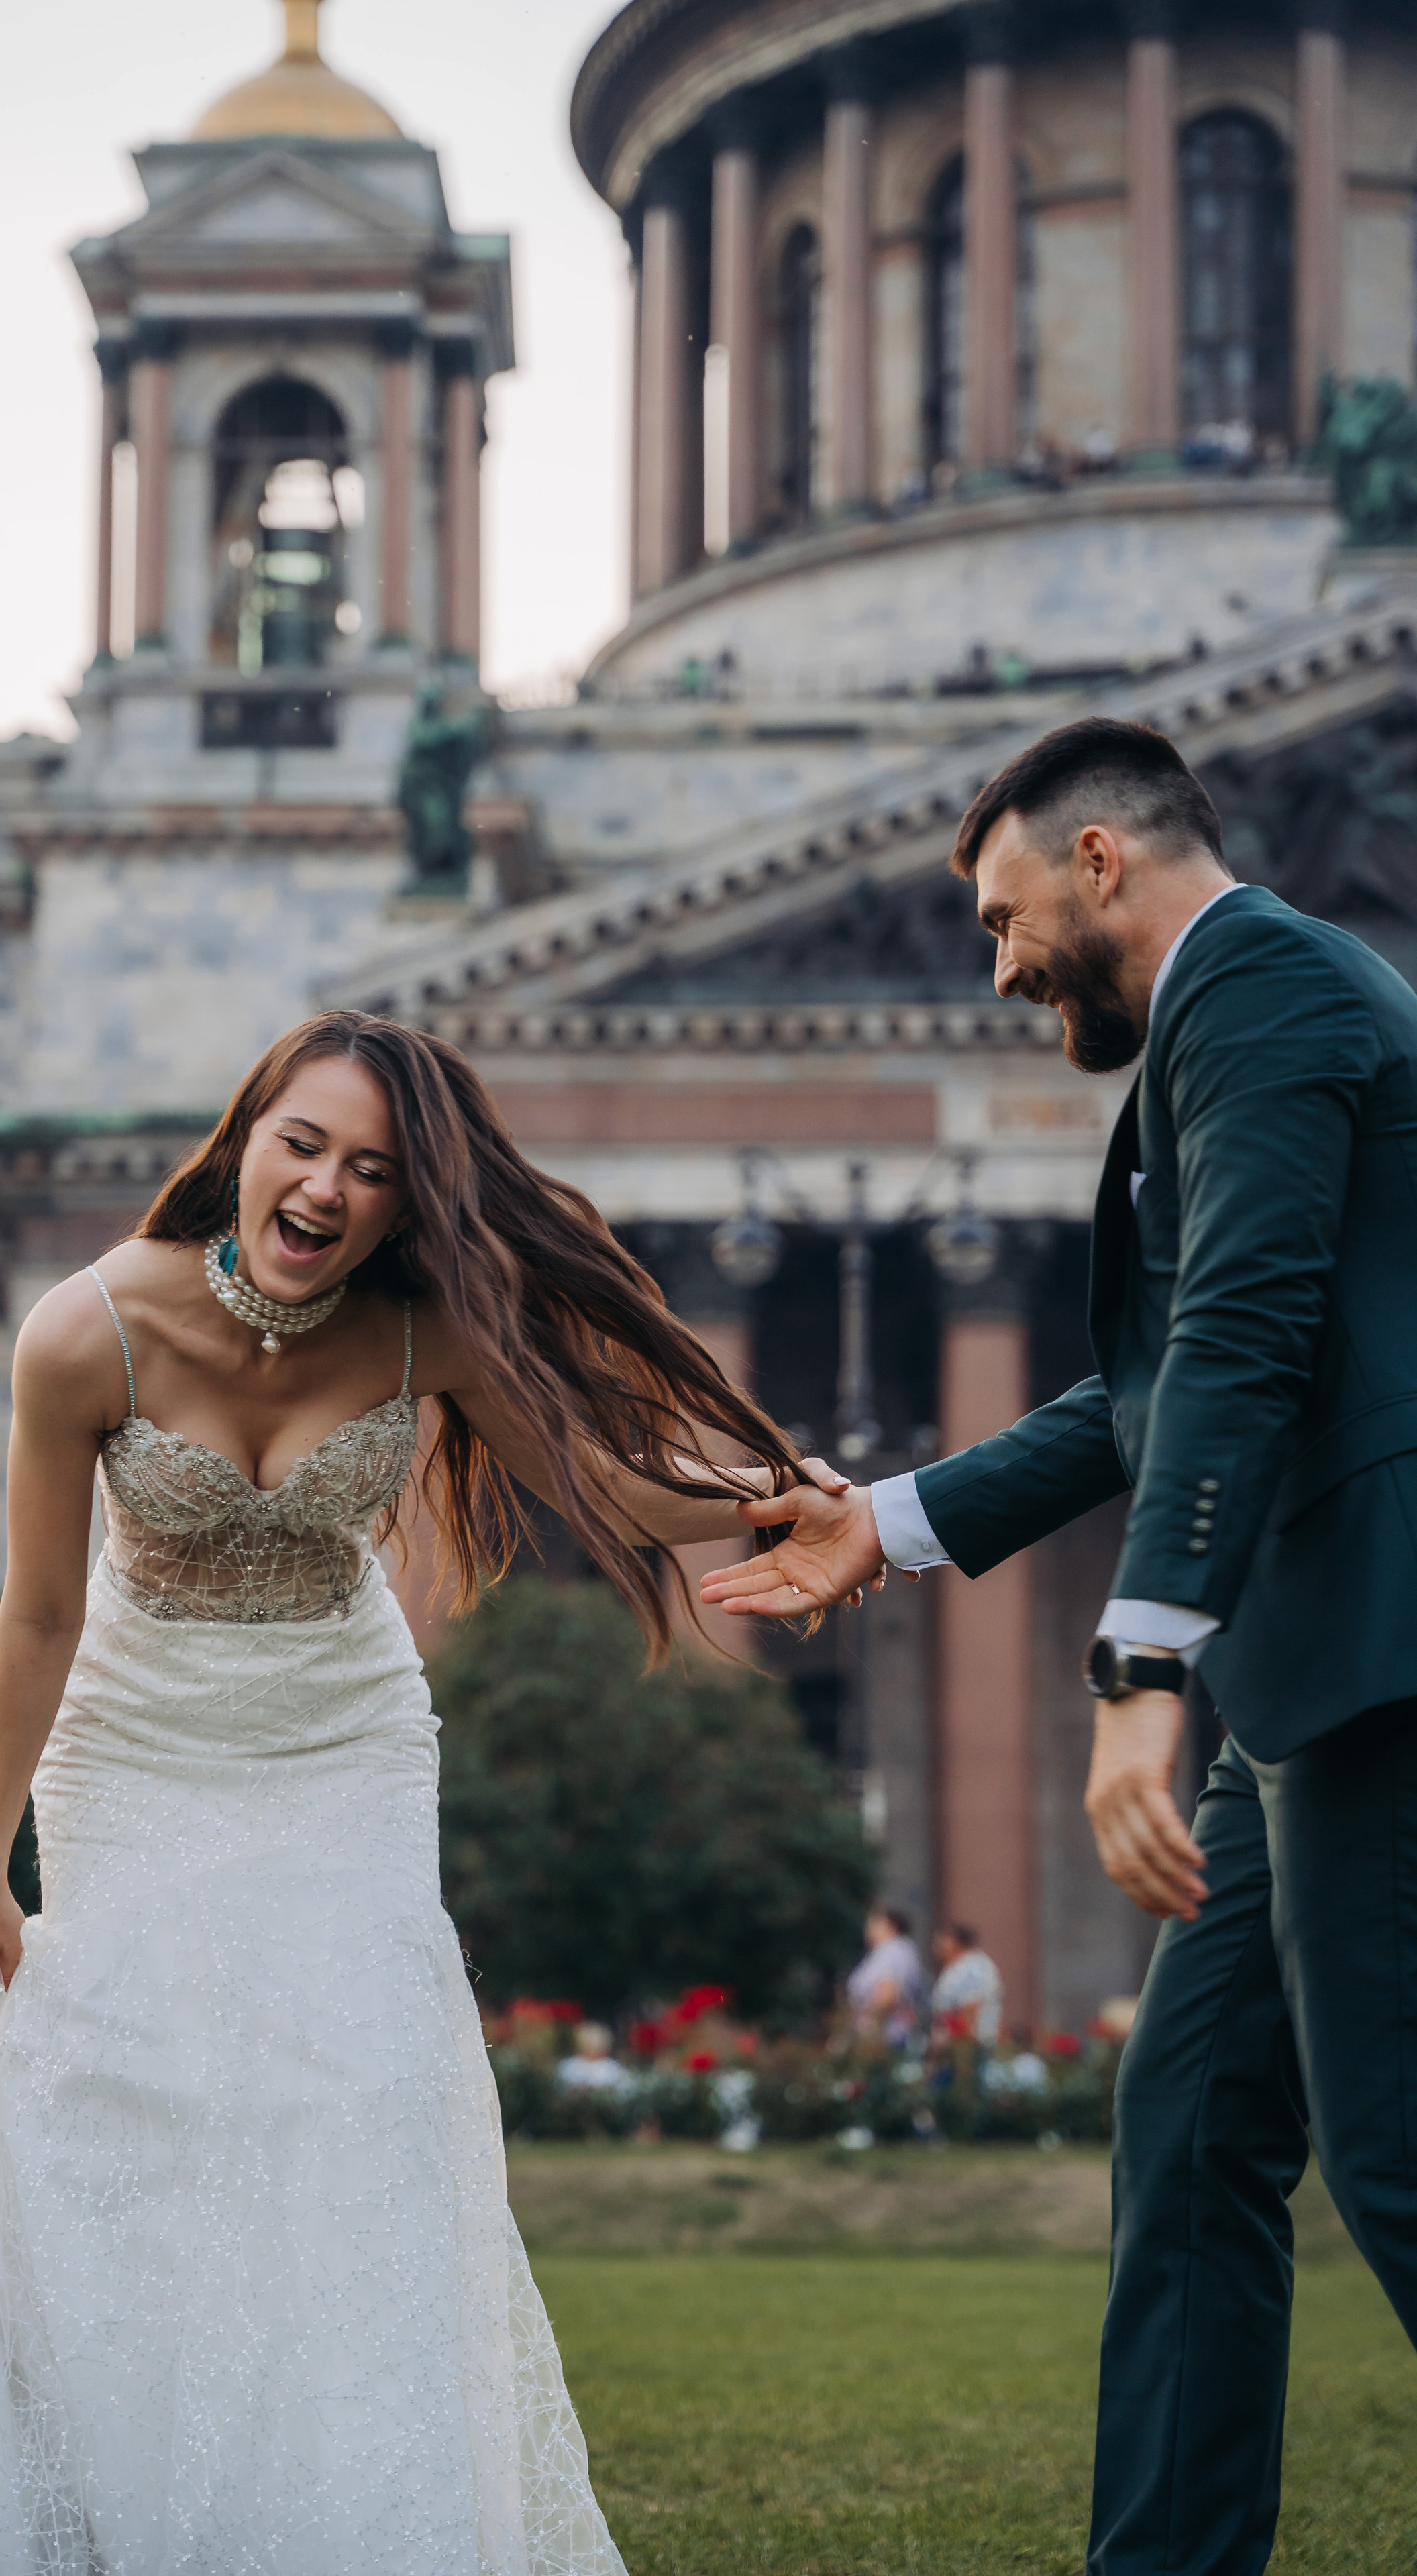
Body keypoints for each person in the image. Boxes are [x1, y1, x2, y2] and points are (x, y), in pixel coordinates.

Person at [0, 1010, 827, 2576]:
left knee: (354, 2094)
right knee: (104, 2091)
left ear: (401, 1198)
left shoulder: (424, 1328)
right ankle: (84, 2478)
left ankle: (344, 2503)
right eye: (303, 1144)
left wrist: (768, 1492)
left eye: (371, 1169)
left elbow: (597, 1482)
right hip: (140, 1734)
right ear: (245, 1141)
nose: (326, 1189)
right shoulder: (81, 1329)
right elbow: (37, 1617)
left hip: (341, 1735)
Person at [700, 715, 1417, 2576]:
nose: (1003, 965)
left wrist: (1134, 1674)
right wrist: (895, 1521)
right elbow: (1155, 1387)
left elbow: (1249, 1335)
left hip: (1381, 1659)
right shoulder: (1231, 1016)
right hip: (1320, 1674)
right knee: (1188, 2141)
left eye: (1010, 916)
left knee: (1401, 2160)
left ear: (1103, 861)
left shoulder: (1259, 988)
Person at [843, 1903, 926, 2048]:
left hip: (884, 2036)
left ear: (890, 1925)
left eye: (874, 1922)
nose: (868, 1928)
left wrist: (871, 2028)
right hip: (882, 2034)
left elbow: (887, 1994)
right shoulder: (890, 1950)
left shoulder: (893, 1950)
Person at [929, 1922, 1002, 2047]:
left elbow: (971, 2008)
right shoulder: (957, 1966)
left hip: (970, 2045)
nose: (937, 1944)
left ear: (955, 1941)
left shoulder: (973, 1966)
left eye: (942, 1939)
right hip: (952, 2045)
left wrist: (963, 2046)